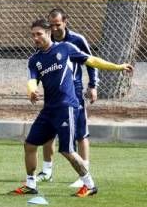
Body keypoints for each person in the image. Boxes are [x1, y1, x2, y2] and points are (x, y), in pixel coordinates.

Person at [10, 18, 132, 197]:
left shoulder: (65, 49)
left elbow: (92, 61)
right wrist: (32, 92)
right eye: (32, 35)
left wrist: (117, 67)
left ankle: (89, 185)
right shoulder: (34, 59)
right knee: (30, 144)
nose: (35, 38)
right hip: (49, 110)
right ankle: (30, 184)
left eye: (39, 34)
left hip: (67, 107)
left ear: (48, 32)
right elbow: (31, 81)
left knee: (67, 150)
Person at [36, 8, 98, 188]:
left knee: (80, 133)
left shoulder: (77, 40)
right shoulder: (47, 40)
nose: (54, 28)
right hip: (53, 94)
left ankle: (84, 172)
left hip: (75, 92)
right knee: (48, 132)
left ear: (65, 22)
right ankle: (47, 171)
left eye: (57, 24)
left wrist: (93, 85)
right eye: (52, 25)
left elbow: (91, 61)